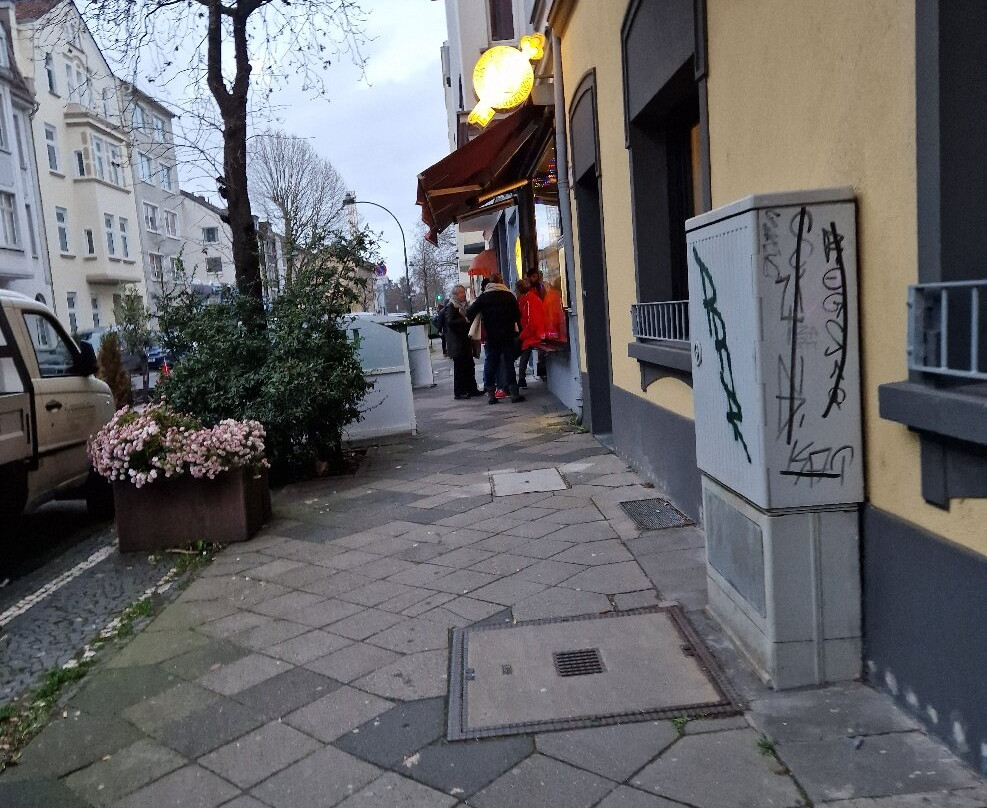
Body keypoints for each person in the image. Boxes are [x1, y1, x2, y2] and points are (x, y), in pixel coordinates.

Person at [467, 272, 525, 404]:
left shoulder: (484, 297)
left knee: (491, 364)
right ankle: (514, 393)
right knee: (509, 364)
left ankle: (491, 394)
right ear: (501, 282)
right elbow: (517, 315)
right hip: (508, 335)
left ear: (489, 284)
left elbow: (470, 313)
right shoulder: (509, 295)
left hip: (492, 336)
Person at [444, 285, 481, 400]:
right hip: (458, 343)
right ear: (456, 294)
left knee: (469, 365)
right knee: (460, 367)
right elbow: (450, 322)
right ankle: (460, 391)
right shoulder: (452, 306)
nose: (464, 294)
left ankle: (472, 389)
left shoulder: (462, 305)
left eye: (464, 292)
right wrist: (464, 320)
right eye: (461, 293)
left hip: (464, 342)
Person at [515, 278, 545, 388]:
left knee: (521, 352)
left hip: (533, 334)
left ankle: (521, 378)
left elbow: (531, 323)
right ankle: (521, 378)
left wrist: (521, 336)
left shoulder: (528, 301)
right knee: (523, 353)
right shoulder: (530, 299)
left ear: (519, 290)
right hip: (533, 332)